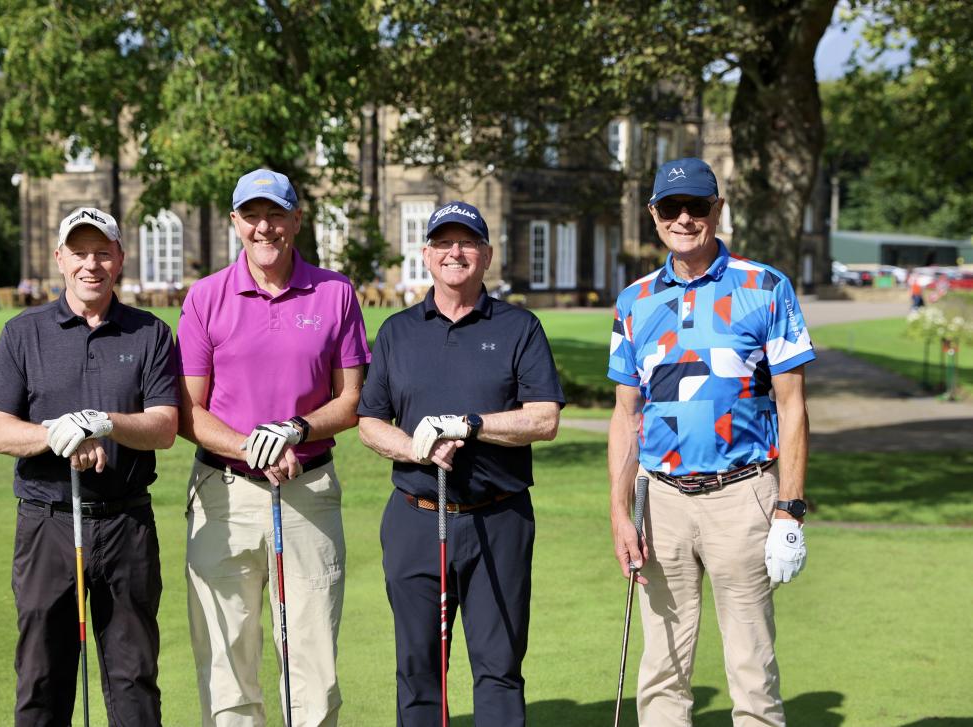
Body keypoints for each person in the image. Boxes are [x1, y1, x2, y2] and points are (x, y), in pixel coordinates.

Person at [607, 158, 815, 727]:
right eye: (670, 208)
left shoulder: (765, 286)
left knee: (752, 670)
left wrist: (789, 509)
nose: (683, 218)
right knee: (662, 672)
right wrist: (620, 514)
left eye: (696, 206)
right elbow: (627, 417)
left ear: (717, 211)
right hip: (662, 502)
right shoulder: (635, 301)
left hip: (742, 496)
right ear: (653, 215)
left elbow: (792, 405)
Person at [358, 200, 564, 726]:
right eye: (444, 243)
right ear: (426, 256)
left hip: (499, 518)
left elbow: (543, 419)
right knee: (418, 668)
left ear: (487, 255)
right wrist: (414, 447)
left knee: (498, 666)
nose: (456, 252)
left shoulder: (520, 327)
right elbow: (368, 422)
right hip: (415, 516)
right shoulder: (399, 332)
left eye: (467, 242)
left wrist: (468, 424)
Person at [176, 168, 370, 727]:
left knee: (312, 661)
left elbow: (351, 399)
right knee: (226, 658)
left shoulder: (335, 293)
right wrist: (252, 445)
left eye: (276, 215)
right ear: (234, 221)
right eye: (252, 215)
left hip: (307, 492)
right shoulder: (206, 297)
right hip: (224, 493)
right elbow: (189, 411)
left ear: (296, 220)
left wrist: (295, 429)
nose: (265, 228)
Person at [0, 207, 179, 726]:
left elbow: (163, 426)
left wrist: (103, 424)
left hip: (126, 524)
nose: (91, 264)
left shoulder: (150, 333)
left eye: (103, 252)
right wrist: (57, 434)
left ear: (120, 260)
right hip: (47, 523)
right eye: (80, 252)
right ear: (60, 258)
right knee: (42, 677)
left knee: (134, 678)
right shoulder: (24, 332)